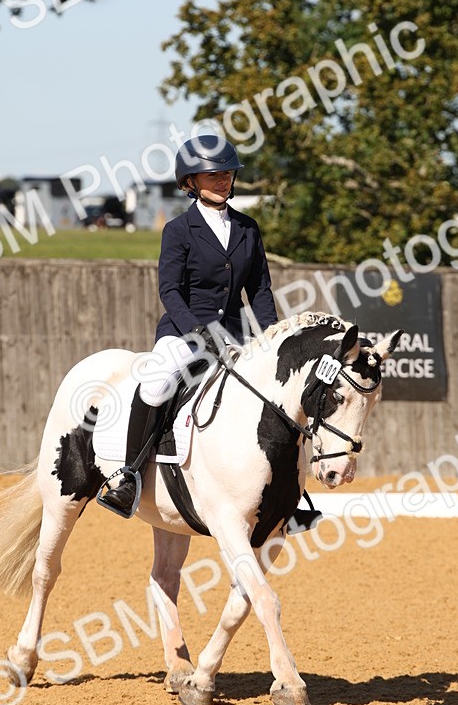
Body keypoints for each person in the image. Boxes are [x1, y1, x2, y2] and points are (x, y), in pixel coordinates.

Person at [97, 134, 322, 532]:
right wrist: (198, 332)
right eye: (212, 174)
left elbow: (260, 291)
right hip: (185, 330)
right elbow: (170, 290)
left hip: (237, 333)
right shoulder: (179, 230)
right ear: (190, 182)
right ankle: (128, 478)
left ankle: (292, 495)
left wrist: (271, 342)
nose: (222, 181)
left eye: (227, 174)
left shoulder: (248, 229)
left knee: (279, 396)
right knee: (154, 385)